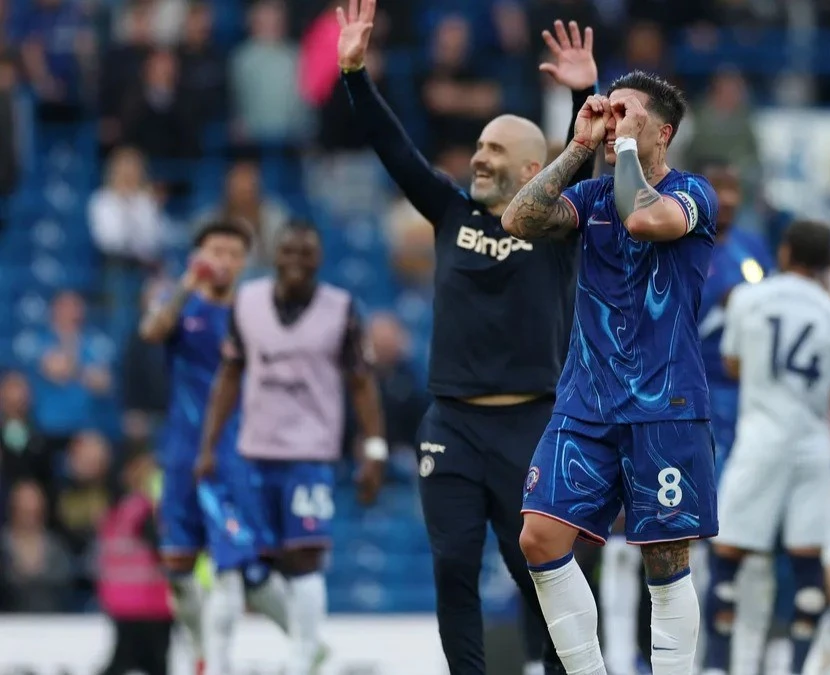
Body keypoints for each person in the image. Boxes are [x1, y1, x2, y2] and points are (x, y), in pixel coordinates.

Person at [337, 0, 600, 671]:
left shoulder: (557, 224)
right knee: (452, 568)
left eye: (494, 149)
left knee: (537, 572)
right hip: (450, 424)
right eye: (479, 145)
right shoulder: (451, 209)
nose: (479, 156)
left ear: (529, 165)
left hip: (529, 426)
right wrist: (356, 75)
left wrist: (580, 93)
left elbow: (581, 162)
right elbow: (394, 147)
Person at [504, 71, 718, 675]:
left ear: (664, 132)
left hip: (666, 404)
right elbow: (518, 221)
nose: (614, 120)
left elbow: (645, 220)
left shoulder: (695, 193)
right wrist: (576, 147)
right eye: (611, 111)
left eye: (629, 113)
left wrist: (621, 147)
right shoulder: (594, 195)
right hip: (587, 401)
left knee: (664, 558)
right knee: (539, 539)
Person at [195, 225, 387, 675]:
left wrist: (374, 449)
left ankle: (303, 662)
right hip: (251, 453)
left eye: (307, 252)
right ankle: (219, 662)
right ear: (274, 254)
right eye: (288, 250)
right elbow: (228, 376)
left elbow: (361, 383)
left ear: (320, 259)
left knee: (304, 559)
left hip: (310, 456)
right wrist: (208, 445)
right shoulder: (247, 302)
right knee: (239, 564)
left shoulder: (341, 309)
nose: (297, 259)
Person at [708, 220, 830, 675]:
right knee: (807, 562)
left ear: (784, 253)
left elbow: (733, 362)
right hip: (812, 449)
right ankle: (801, 665)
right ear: (826, 262)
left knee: (729, 556)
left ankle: (717, 664)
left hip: (760, 438)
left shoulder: (748, 298)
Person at [138, 220, 294, 675]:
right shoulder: (181, 308)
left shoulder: (255, 312)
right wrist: (188, 282)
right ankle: (203, 646)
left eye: (232, 253)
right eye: (214, 251)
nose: (223, 261)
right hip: (180, 454)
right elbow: (150, 331)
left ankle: (272, 651)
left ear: (245, 261)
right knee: (179, 571)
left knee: (229, 566)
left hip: (234, 456)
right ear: (198, 256)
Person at [695, 163, 776, 675]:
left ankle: (742, 653)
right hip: (690, 400)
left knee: (743, 530)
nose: (725, 198)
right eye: (716, 189)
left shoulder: (753, 249)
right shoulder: (677, 238)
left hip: (748, 406)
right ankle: (699, 652)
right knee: (696, 530)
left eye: (733, 189)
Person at [98, 450, 172, 675]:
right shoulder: (143, 508)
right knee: (150, 665)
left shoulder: (116, 508)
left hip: (125, 602)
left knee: (132, 663)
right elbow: (160, 546)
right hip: (148, 603)